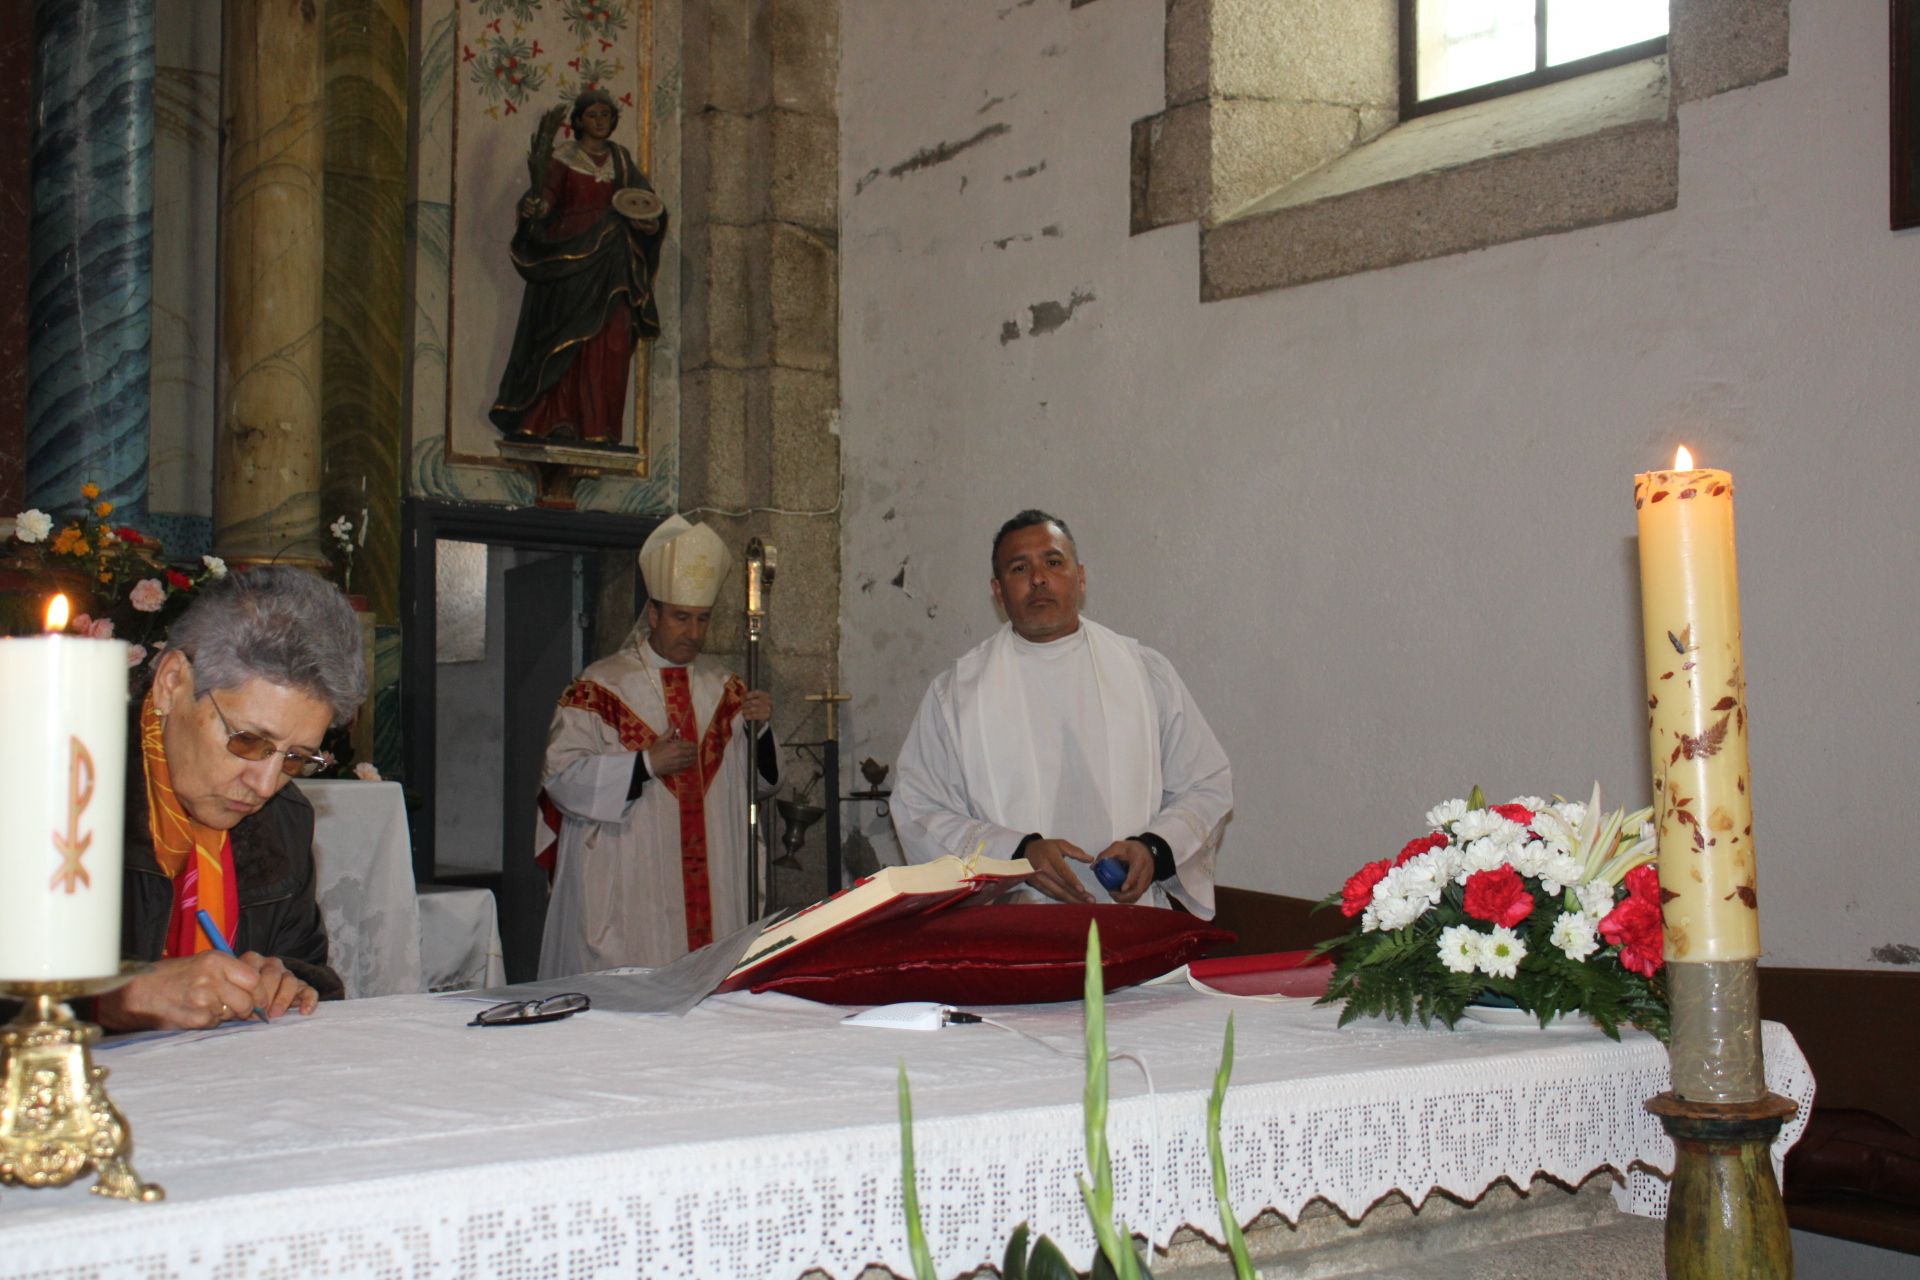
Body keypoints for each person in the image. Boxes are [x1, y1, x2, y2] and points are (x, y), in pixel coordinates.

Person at [892, 510, 1231, 916]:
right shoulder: (956, 694)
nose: (1038, 578)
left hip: (1131, 920)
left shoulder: (1144, 672)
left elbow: (1206, 783)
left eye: (1053, 562)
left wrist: (1154, 848)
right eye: (1020, 568)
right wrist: (1017, 853)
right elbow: (918, 807)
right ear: (999, 593)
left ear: (1081, 577)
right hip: (1015, 931)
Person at [95, 566, 365, 1031]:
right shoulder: (62, 794)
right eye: (247, 740)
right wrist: (117, 997)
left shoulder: (285, 819)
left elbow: (308, 968)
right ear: (172, 683)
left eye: (297, 757)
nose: (264, 785)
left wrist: (286, 981)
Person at [536, 515, 779, 977]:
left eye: (703, 619)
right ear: (653, 615)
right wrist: (644, 764)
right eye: (681, 618)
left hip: (716, 887)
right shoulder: (599, 686)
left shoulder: (724, 688)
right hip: (632, 892)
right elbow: (561, 782)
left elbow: (757, 788)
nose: (693, 632)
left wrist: (760, 731)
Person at [489, 87, 668, 442]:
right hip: (569, 259)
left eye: (606, 115)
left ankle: (598, 425)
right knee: (566, 339)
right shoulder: (563, 157)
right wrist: (535, 208)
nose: (600, 121)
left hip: (614, 263)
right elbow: (546, 198)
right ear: (578, 123)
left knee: (612, 341)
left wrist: (650, 225)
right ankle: (555, 420)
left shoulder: (621, 160)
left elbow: (647, 204)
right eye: (593, 115)